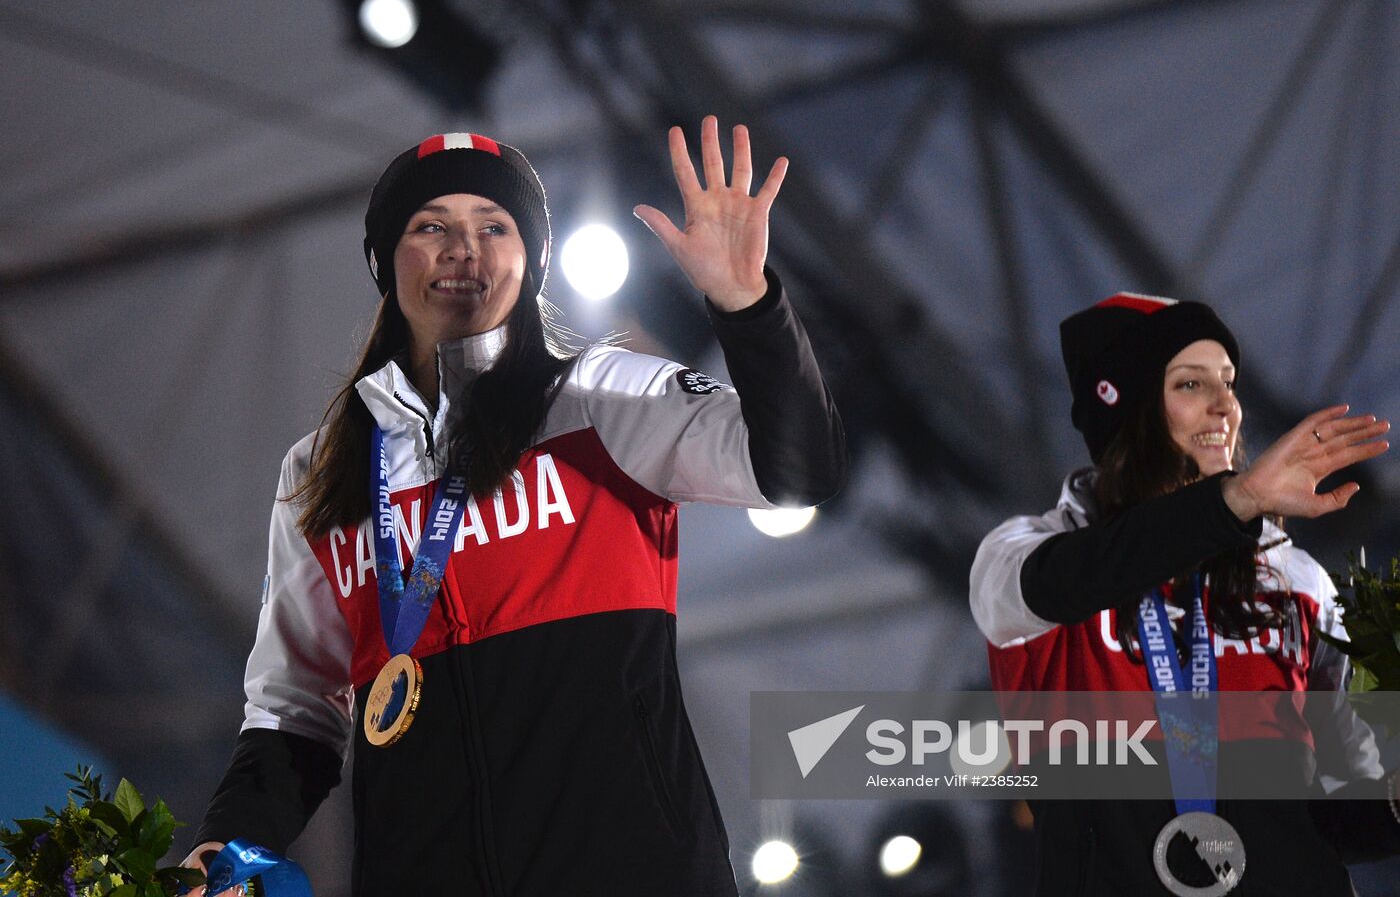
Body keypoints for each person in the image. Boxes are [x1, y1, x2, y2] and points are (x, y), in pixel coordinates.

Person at [183, 117, 845, 895]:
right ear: (381, 260)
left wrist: (748, 306)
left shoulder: (604, 400)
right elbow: (293, 713)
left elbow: (798, 472)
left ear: (530, 264)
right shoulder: (323, 471)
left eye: (493, 227)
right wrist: (224, 845)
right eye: (431, 226)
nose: (464, 248)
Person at [969, 292, 1400, 895]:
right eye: (1192, 385)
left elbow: (1349, 805)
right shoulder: (1021, 558)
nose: (1227, 406)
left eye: (1229, 383)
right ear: (1128, 408)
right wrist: (1240, 500)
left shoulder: (1295, 580)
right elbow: (1078, 576)